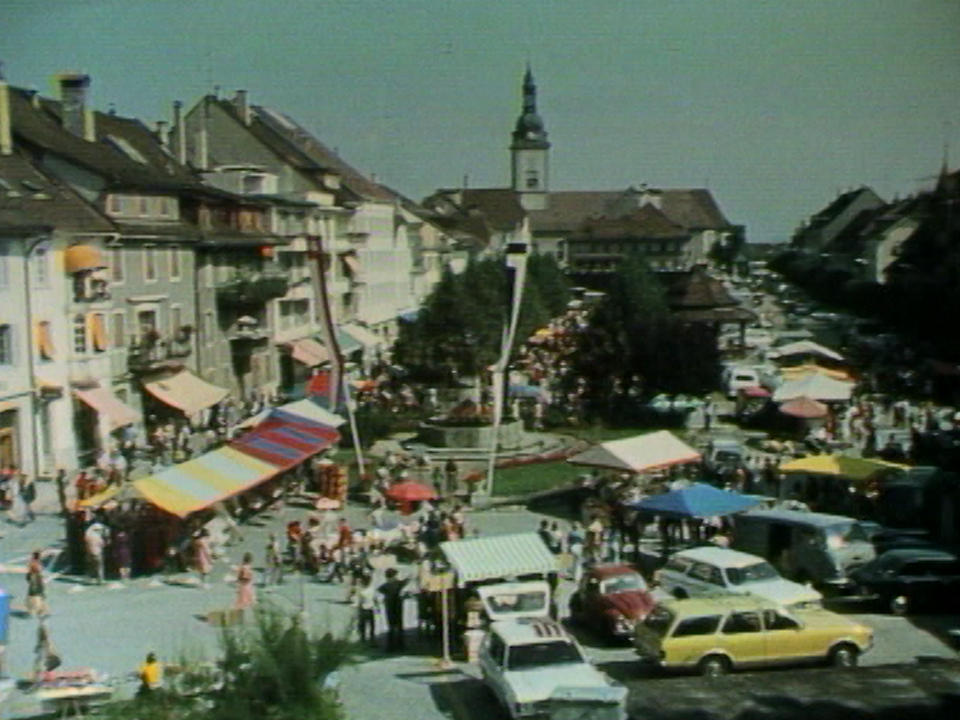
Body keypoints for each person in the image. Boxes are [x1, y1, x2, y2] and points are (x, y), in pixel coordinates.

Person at [377, 568, 409, 652]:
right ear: (394, 576)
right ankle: (400, 644)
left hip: (389, 607)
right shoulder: (398, 584)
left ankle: (390, 645)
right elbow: (405, 582)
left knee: (391, 626)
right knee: (399, 625)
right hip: (398, 606)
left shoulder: (385, 586)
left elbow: (379, 590)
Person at [355, 574, 378, 647]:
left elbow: (360, 602)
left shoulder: (362, 592)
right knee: (372, 626)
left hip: (364, 610)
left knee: (362, 626)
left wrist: (357, 611)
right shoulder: (372, 590)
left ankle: (363, 640)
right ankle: (372, 640)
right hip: (371, 609)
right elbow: (375, 600)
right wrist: (377, 608)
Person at [26, 551, 48, 618]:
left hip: (35, 579)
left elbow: (29, 575)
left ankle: (38, 610)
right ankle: (38, 610)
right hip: (36, 579)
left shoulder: (34, 563)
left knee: (35, 595)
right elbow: (37, 571)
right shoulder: (35, 563)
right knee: (36, 595)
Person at [84, 520, 106, 584]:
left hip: (89, 553)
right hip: (97, 552)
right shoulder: (97, 537)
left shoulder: (88, 535)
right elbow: (102, 544)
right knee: (99, 567)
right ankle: (100, 580)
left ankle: (88, 579)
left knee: (90, 567)